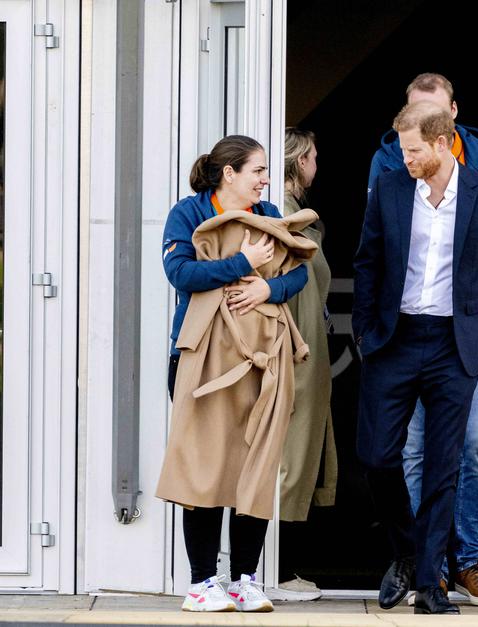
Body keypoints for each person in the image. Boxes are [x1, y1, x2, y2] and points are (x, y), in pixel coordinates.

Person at [353, 101, 478, 615]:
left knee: (443, 466)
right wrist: (365, 333)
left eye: (412, 150)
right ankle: (410, 554)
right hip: (394, 339)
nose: (403, 158)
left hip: (456, 343)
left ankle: (431, 585)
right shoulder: (390, 186)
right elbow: (366, 261)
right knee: (376, 456)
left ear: (440, 143)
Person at [158, 135, 310, 613]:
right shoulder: (189, 213)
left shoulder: (269, 213)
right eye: (258, 170)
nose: (266, 179)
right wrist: (243, 263)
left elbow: (300, 270)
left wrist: (270, 288)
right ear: (230, 174)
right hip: (201, 362)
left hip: (261, 364)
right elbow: (181, 274)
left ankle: (245, 579)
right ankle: (202, 583)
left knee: (256, 468)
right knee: (205, 468)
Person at [273, 127, 337, 602]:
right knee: (290, 459)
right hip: (294, 351)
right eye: (314, 155)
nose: (319, 163)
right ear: (300, 161)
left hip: (309, 348)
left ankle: (284, 564)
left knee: (303, 455)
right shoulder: (284, 217)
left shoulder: (301, 218)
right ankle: (277, 567)